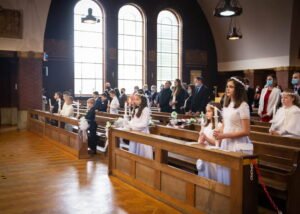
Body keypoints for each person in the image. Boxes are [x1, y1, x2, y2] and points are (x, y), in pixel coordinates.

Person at [214, 76, 253, 185]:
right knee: (224, 172)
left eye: (231, 87)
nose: (228, 89)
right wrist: (219, 133)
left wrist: (224, 135)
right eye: (227, 86)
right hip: (226, 142)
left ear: (238, 89)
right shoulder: (227, 105)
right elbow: (225, 125)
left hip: (237, 144)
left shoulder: (243, 105)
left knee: (234, 178)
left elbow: (246, 131)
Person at [196, 103, 222, 181]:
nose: (206, 113)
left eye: (209, 111)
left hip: (213, 155)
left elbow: (218, 143)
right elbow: (199, 141)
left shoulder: (220, 125)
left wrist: (206, 138)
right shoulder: (205, 125)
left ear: (215, 112)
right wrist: (201, 139)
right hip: (204, 152)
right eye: (206, 111)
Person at [128, 94, 153, 159]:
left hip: (143, 133)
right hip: (135, 132)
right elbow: (133, 121)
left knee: (142, 153)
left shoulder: (146, 109)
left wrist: (132, 127)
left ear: (142, 100)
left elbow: (144, 124)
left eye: (137, 99)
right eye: (135, 99)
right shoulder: (136, 109)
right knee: (134, 151)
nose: (135, 101)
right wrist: (129, 124)